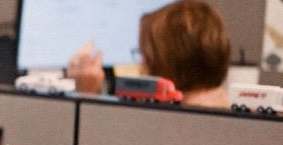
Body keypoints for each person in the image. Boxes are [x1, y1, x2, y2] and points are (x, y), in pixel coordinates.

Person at [68, 0, 231, 109]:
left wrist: (85, 94)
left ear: (165, 61)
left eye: (144, 56)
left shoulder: (174, 126)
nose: (140, 67)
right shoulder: (227, 114)